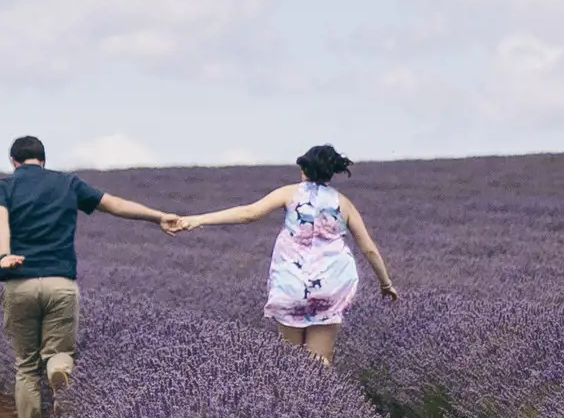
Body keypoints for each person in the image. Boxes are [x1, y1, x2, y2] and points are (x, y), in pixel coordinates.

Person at [0, 136, 176, 418]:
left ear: (13, 162)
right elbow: (113, 204)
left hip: (20, 283)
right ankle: (59, 369)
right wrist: (158, 216)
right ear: (44, 160)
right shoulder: (68, 184)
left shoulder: (3, 187)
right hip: (60, 283)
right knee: (59, 352)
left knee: (25, 366)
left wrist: (5, 254)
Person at [164, 143, 401, 364]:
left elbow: (249, 213)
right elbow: (368, 247)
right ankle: (322, 404)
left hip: (291, 284)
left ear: (303, 168)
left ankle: (294, 404)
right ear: (331, 173)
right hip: (331, 286)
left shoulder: (290, 193)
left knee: (292, 359)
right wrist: (386, 283)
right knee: (319, 362)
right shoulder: (344, 203)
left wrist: (197, 220)